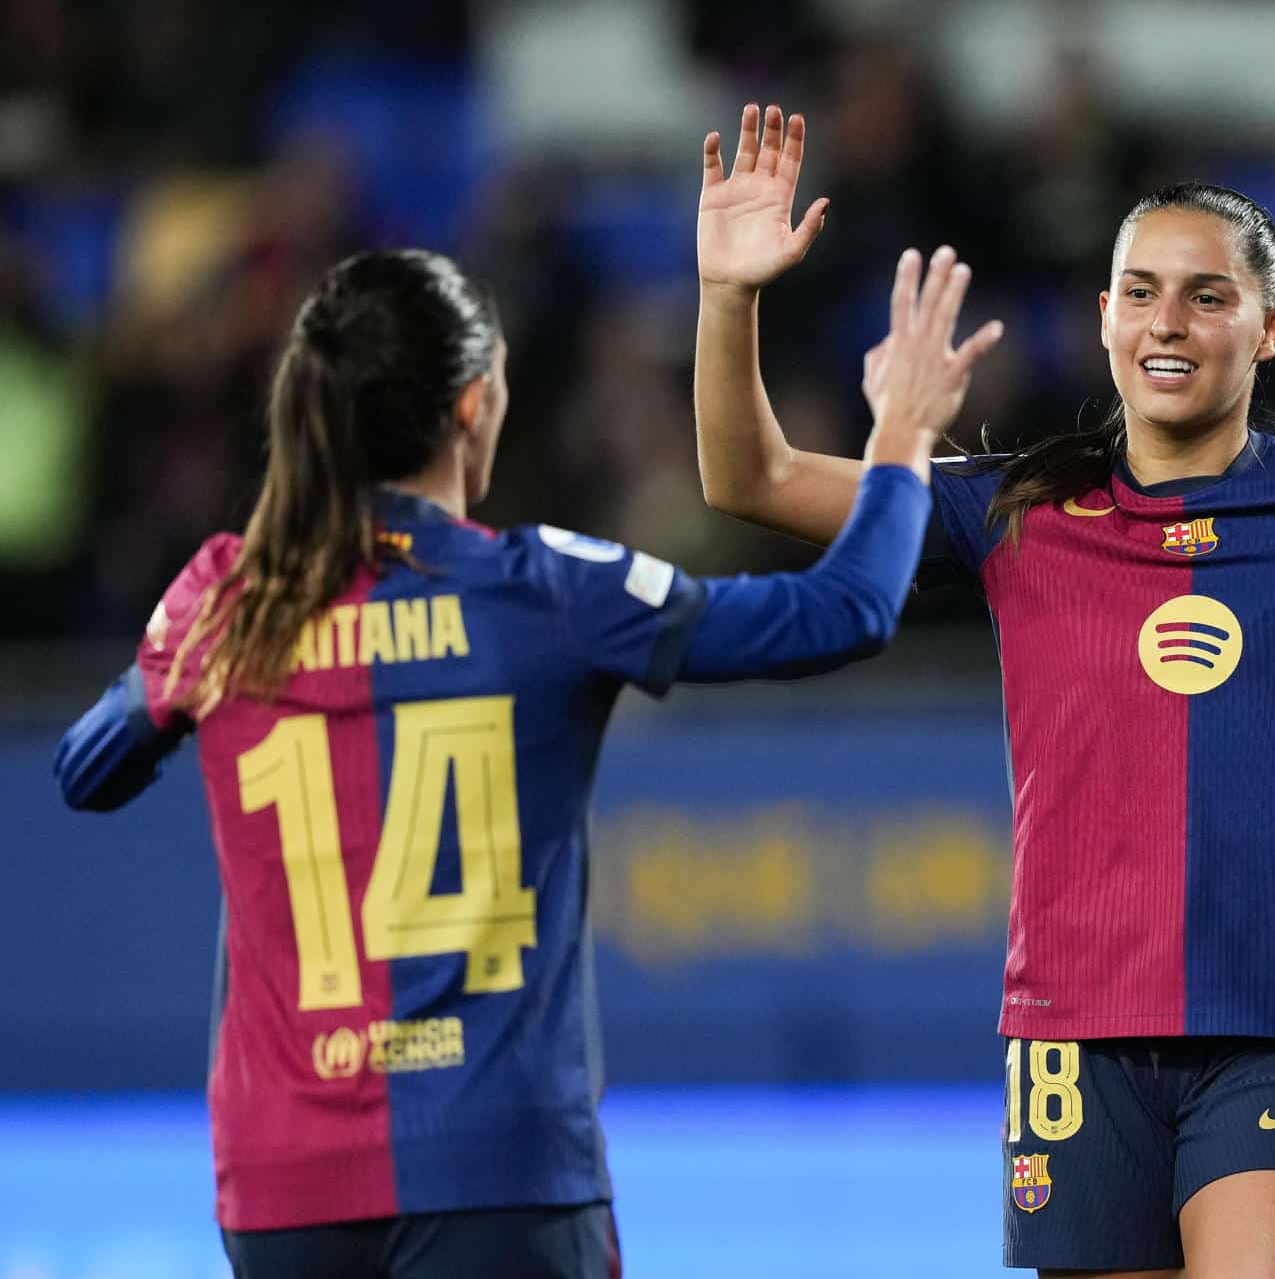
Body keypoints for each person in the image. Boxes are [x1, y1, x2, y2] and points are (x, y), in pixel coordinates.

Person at [693, 105, 1275, 1278]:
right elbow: (752, 477)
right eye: (1141, 291)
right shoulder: (1020, 510)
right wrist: (729, 296)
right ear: (1103, 320)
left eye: (1209, 295)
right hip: (1073, 1035)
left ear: (1271, 328)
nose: (1169, 321)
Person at [53, 241, 999, 1277]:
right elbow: (846, 609)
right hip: (503, 1169)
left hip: (285, 1185)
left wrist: (179, 646)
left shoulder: (229, 599)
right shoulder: (543, 589)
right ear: (470, 404)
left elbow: (86, 769)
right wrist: (903, 435)